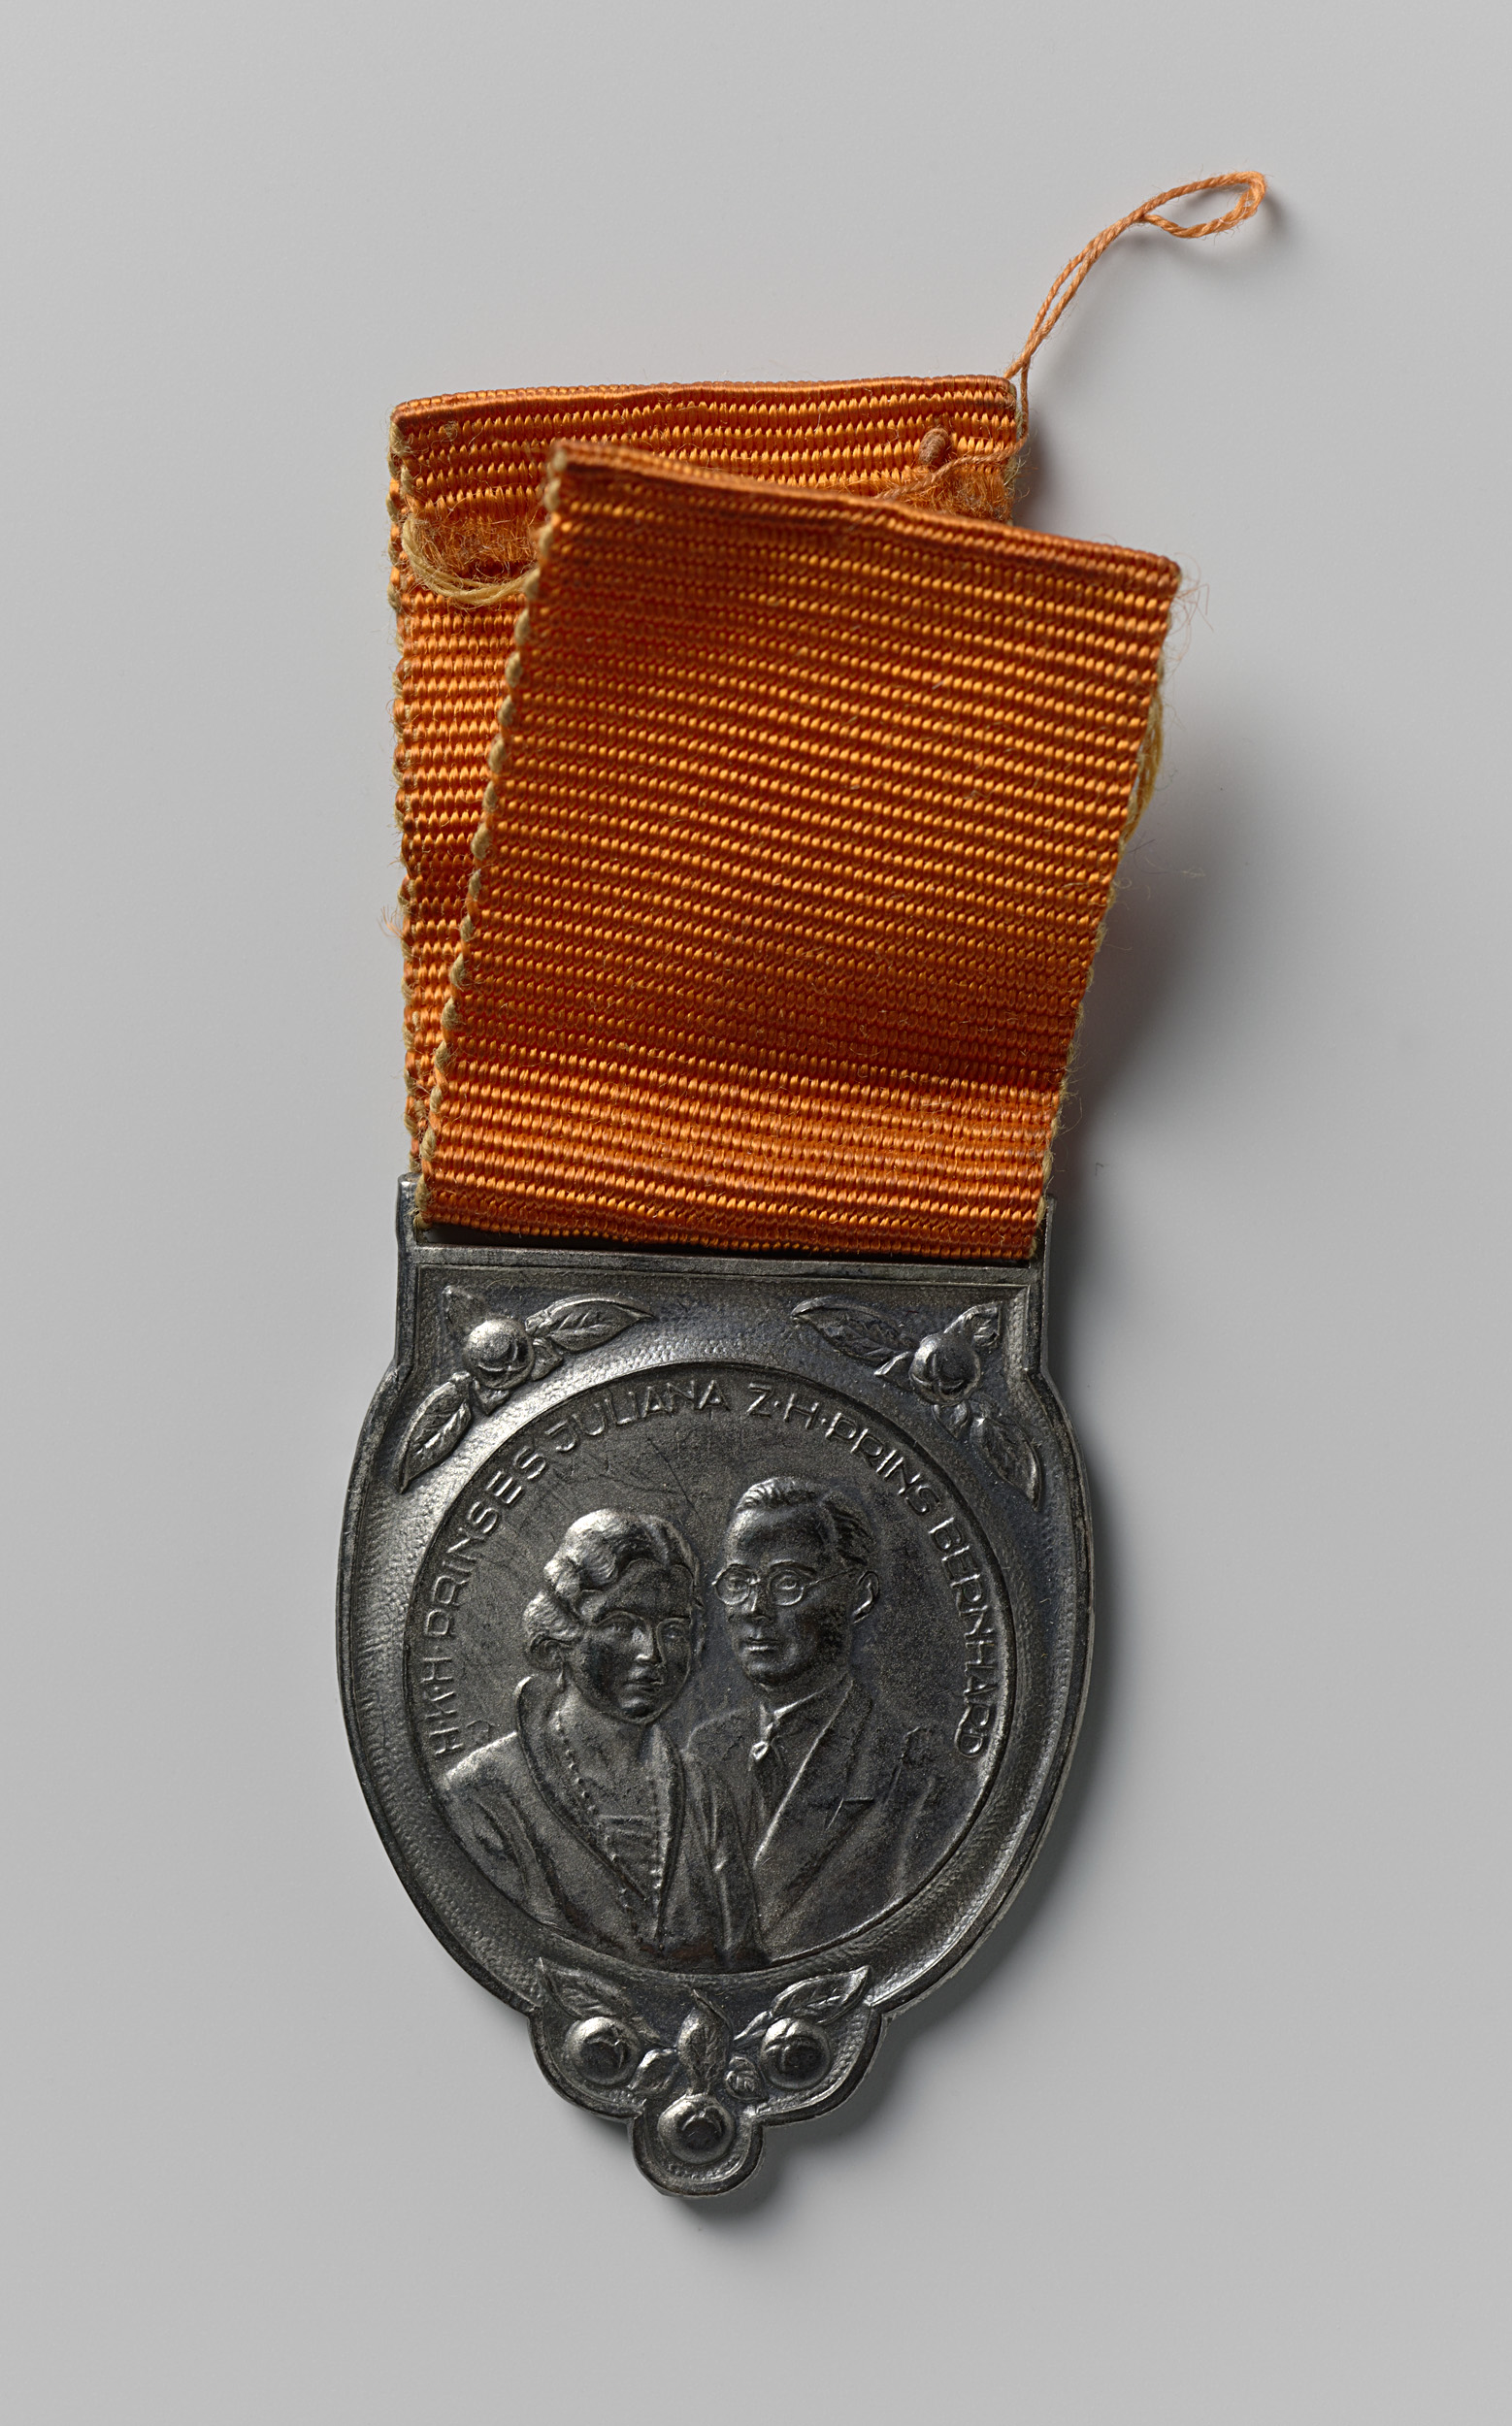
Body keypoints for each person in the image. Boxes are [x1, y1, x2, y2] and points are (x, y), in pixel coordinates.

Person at [439, 1510, 761, 1966]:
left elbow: (744, 1963)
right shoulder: (483, 1793)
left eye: (673, 1630)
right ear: (561, 1635)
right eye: (622, 1626)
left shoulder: (702, 1791)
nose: (652, 1653)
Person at [687, 1476, 950, 1956]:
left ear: (859, 1596)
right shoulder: (705, 1751)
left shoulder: (915, 1777)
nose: (755, 1609)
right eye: (739, 1583)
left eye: (788, 1582)